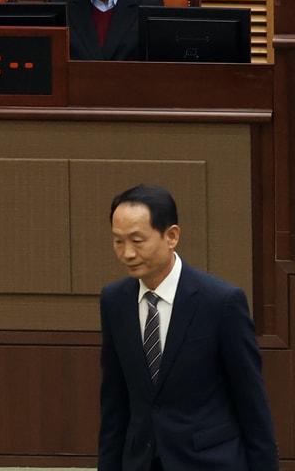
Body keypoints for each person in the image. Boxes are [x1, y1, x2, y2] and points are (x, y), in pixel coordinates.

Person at [98, 185, 278, 471]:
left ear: (171, 236)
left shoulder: (221, 302)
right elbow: (114, 401)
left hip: (208, 461)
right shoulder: (114, 301)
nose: (127, 253)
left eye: (137, 240)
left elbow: (251, 400)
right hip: (141, 461)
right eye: (118, 242)